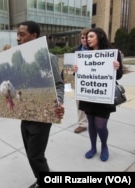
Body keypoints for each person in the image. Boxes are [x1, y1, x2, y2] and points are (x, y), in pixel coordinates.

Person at [17, 21, 64, 188]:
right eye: (18, 34)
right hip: (25, 115)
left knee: (35, 156)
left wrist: (58, 101)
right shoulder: (19, 59)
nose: (18, 38)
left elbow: (58, 85)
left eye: (22, 34)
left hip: (42, 116)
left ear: (34, 36)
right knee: (31, 154)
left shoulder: (48, 58)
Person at [73, 27, 123, 161]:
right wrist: (75, 70)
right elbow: (79, 75)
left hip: (103, 96)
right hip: (88, 95)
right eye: (87, 37)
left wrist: (117, 67)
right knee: (91, 124)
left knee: (101, 126)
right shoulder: (84, 55)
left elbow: (118, 76)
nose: (88, 39)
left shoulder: (112, 54)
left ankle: (104, 146)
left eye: (91, 37)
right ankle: (93, 147)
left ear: (100, 36)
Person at [72, 28, 89, 134]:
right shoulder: (75, 50)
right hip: (79, 81)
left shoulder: (98, 50)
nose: (85, 40)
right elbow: (69, 67)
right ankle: (82, 124)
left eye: (87, 37)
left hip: (94, 82)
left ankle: (93, 122)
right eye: (82, 37)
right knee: (80, 103)